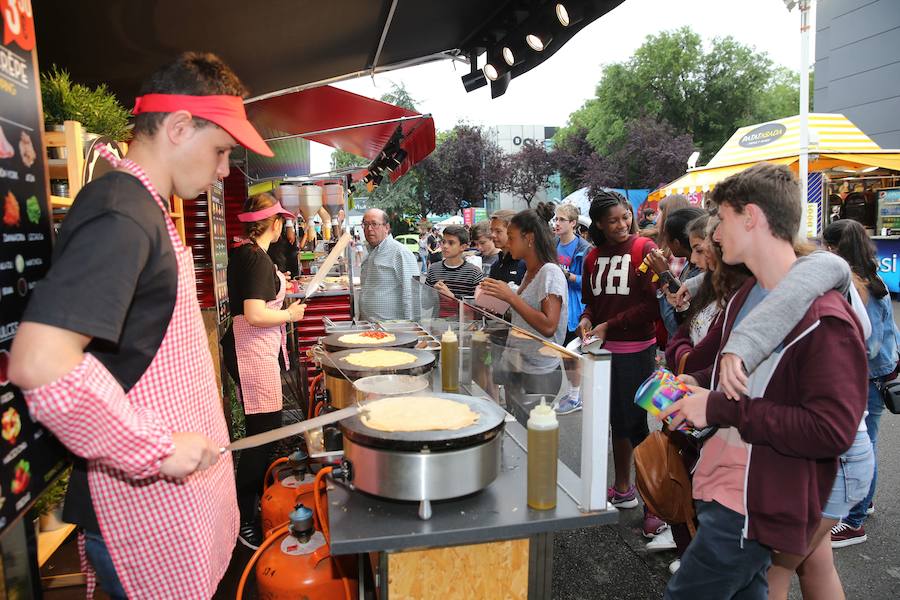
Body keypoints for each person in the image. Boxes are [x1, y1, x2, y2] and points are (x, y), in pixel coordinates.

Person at [7, 52, 274, 599]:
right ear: (179, 127)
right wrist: (154, 448)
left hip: (175, 509)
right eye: (221, 150)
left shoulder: (145, 207)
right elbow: (39, 362)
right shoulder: (122, 212)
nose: (225, 170)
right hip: (144, 507)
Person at [660, 163, 867, 600]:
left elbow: (830, 431)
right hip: (731, 488)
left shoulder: (825, 320)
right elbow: (726, 374)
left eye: (724, 219)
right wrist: (694, 388)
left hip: (756, 500)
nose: (715, 235)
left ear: (751, 217)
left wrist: (716, 408)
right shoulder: (744, 297)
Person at [577, 189, 664, 538]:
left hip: (639, 351)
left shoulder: (644, 250)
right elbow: (591, 302)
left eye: (625, 217)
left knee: (638, 426)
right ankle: (623, 487)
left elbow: (653, 306)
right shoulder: (592, 256)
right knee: (615, 422)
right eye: (613, 221)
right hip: (603, 352)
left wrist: (610, 324)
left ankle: (654, 505)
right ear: (598, 223)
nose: (623, 224)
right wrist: (586, 319)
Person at [222, 193, 304, 548]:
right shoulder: (254, 258)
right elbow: (255, 314)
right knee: (261, 436)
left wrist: (281, 286)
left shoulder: (249, 254)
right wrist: (289, 314)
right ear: (275, 224)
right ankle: (244, 518)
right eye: (282, 220)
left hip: (254, 349)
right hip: (251, 350)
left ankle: (254, 507)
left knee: (266, 430)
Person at [824, 220, 898, 549]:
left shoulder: (855, 283)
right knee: (869, 442)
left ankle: (854, 521)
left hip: (869, 376)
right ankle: (863, 505)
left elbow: (866, 342)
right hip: (884, 373)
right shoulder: (873, 278)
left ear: (836, 248)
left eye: (827, 246)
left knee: (862, 446)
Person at [480, 205, 568, 421]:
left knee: (533, 438)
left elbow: (549, 326)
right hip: (518, 363)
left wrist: (510, 297)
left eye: (511, 236)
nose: (508, 243)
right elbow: (524, 315)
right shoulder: (530, 271)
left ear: (529, 238)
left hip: (539, 372)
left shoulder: (550, 272)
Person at [554, 203, 592, 414]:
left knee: (571, 355)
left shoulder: (584, 249)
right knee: (562, 354)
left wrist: (567, 276)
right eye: (555, 219)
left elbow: (589, 282)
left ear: (573, 223)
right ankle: (572, 394)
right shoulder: (552, 245)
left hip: (575, 309)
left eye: (561, 220)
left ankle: (575, 396)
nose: (556, 223)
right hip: (555, 306)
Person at [644, 207, 706, 337]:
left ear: (677, 243)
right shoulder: (689, 265)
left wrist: (665, 276)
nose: (695, 258)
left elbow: (676, 327)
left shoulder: (702, 274)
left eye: (666, 236)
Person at [358, 208, 420, 321]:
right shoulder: (369, 254)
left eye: (374, 224)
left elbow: (411, 294)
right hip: (369, 326)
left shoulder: (400, 253)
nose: (369, 229)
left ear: (386, 228)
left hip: (392, 328)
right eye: (365, 224)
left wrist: (411, 327)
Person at [426, 224, 485, 315]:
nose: (445, 246)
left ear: (463, 247)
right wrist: (433, 293)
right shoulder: (433, 269)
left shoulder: (474, 273)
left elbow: (478, 309)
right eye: (443, 242)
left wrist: (452, 297)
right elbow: (425, 304)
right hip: (437, 325)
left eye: (451, 243)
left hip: (464, 325)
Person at [488, 209, 526, 285]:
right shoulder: (496, 265)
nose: (492, 235)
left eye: (498, 231)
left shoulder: (526, 263)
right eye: (491, 230)